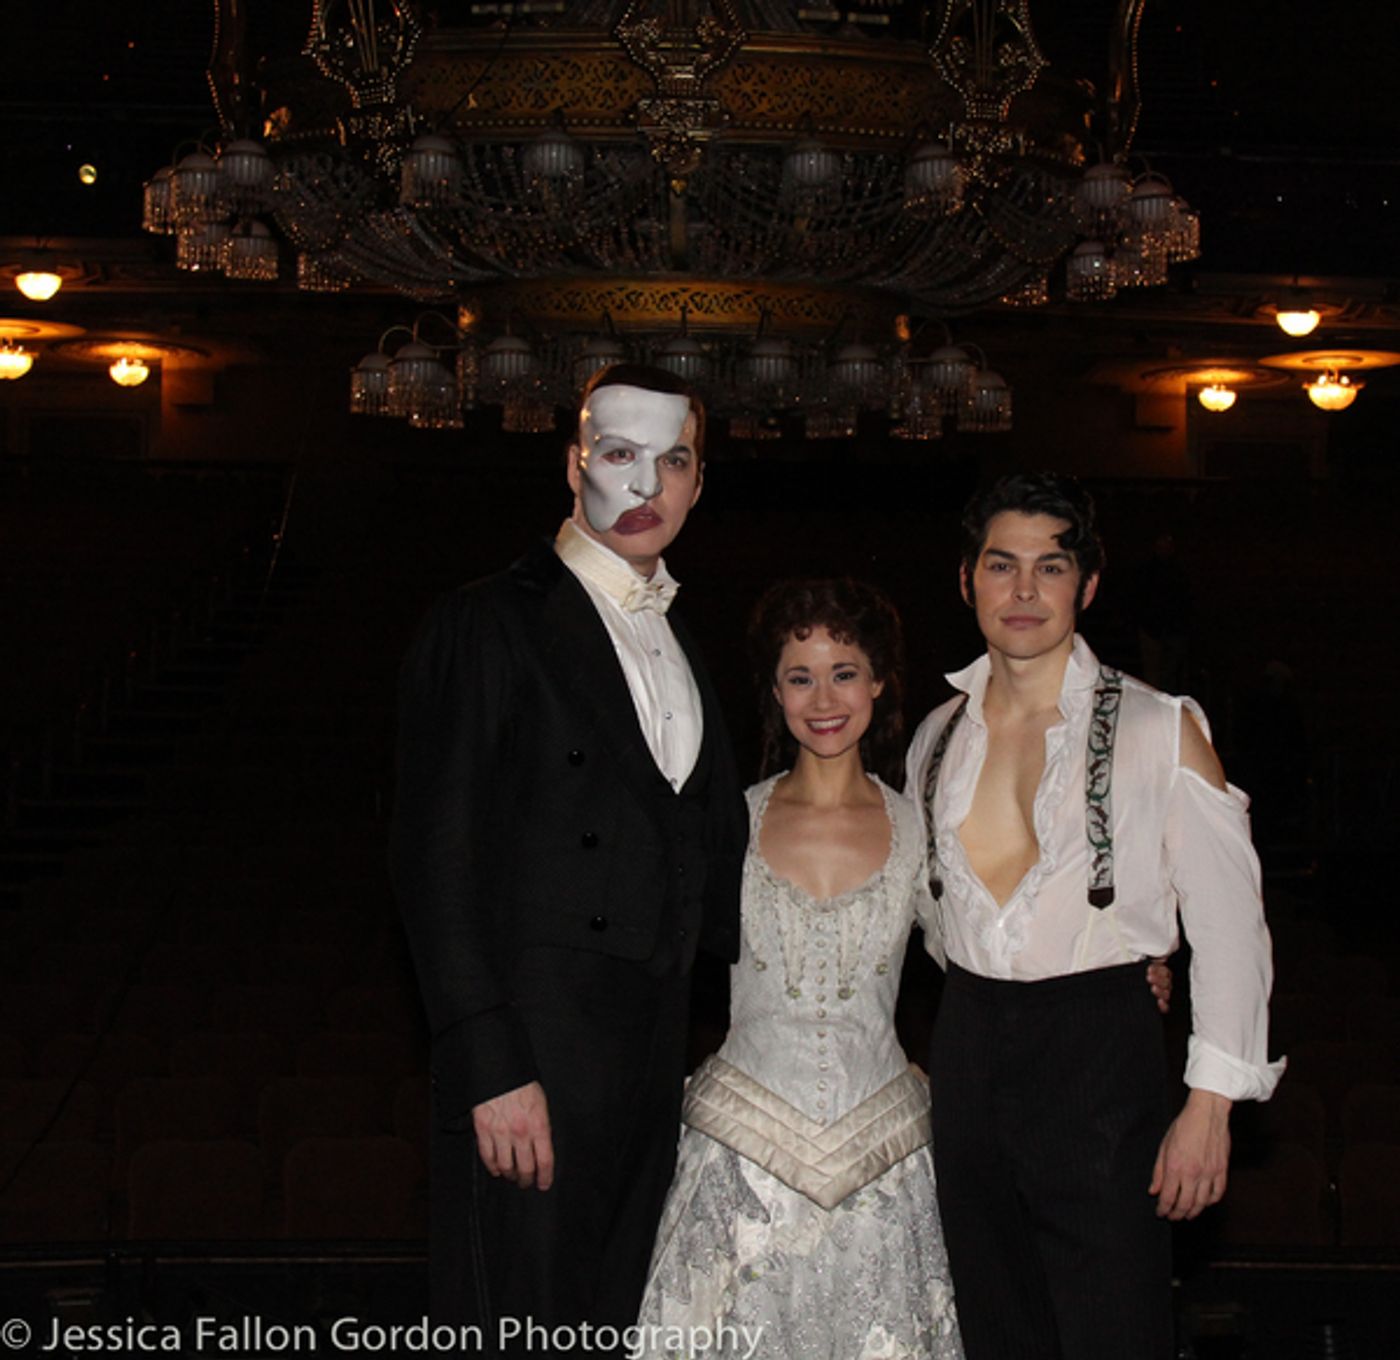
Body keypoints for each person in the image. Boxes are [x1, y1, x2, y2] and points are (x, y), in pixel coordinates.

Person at [390, 364, 748, 1353]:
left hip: (653, 1061)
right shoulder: (487, 621)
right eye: (619, 455)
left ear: (698, 483)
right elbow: (432, 859)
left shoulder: (685, 640)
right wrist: (490, 1063)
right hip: (531, 1061)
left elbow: (721, 865)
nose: (646, 488)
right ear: (572, 463)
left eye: (672, 461)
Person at [907, 472, 1283, 1360]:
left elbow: (1234, 926)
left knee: (1112, 1331)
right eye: (1002, 566)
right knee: (992, 1327)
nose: (1025, 591)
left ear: (1089, 585)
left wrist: (1209, 1105)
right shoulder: (934, 737)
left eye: (1052, 566)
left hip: (1099, 1059)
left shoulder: (1162, 726)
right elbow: (933, 921)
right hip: (967, 1045)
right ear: (968, 581)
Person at [638, 578, 964, 1359]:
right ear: (774, 691)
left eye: (844, 672)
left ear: (880, 682)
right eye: (800, 675)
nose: (824, 696)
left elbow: (990, 959)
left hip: (883, 1170)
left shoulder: (924, 828)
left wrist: (1130, 968)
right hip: (736, 1168)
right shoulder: (726, 825)